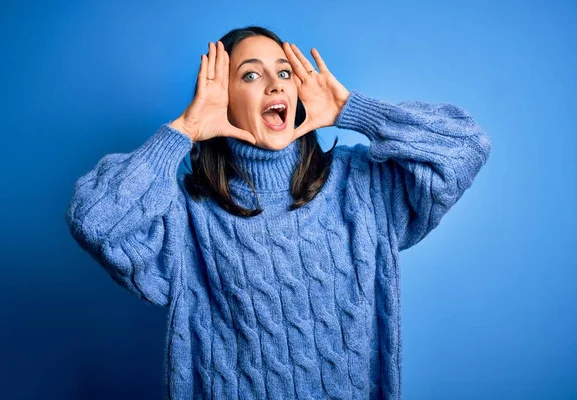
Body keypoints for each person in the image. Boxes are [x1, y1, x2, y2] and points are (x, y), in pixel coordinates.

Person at [65, 25, 491, 400]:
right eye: (251, 74)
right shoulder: (185, 214)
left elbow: (466, 147)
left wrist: (355, 111)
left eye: (284, 72)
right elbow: (94, 219)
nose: (275, 84)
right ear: (223, 101)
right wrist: (184, 130)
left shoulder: (362, 183)